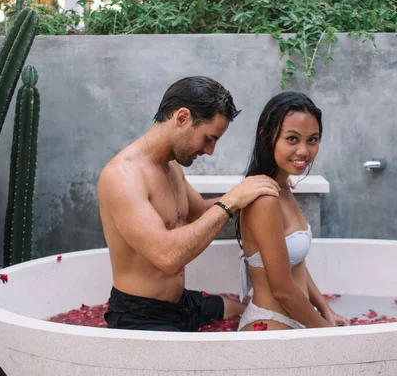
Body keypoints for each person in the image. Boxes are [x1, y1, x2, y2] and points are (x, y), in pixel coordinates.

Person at [97, 76, 280, 332]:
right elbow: (167, 256)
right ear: (181, 118)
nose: (210, 151)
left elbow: (203, 211)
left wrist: (255, 192)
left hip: (180, 304)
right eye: (208, 138)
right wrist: (231, 201)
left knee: (252, 312)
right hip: (139, 316)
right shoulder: (122, 176)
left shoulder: (171, 167)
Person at [236, 92, 350, 331]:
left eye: (312, 139)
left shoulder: (283, 186)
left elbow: (295, 264)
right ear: (267, 136)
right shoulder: (264, 200)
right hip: (271, 324)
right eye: (292, 139)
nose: (303, 151)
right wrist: (329, 334)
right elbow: (283, 290)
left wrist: (326, 310)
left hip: (299, 318)